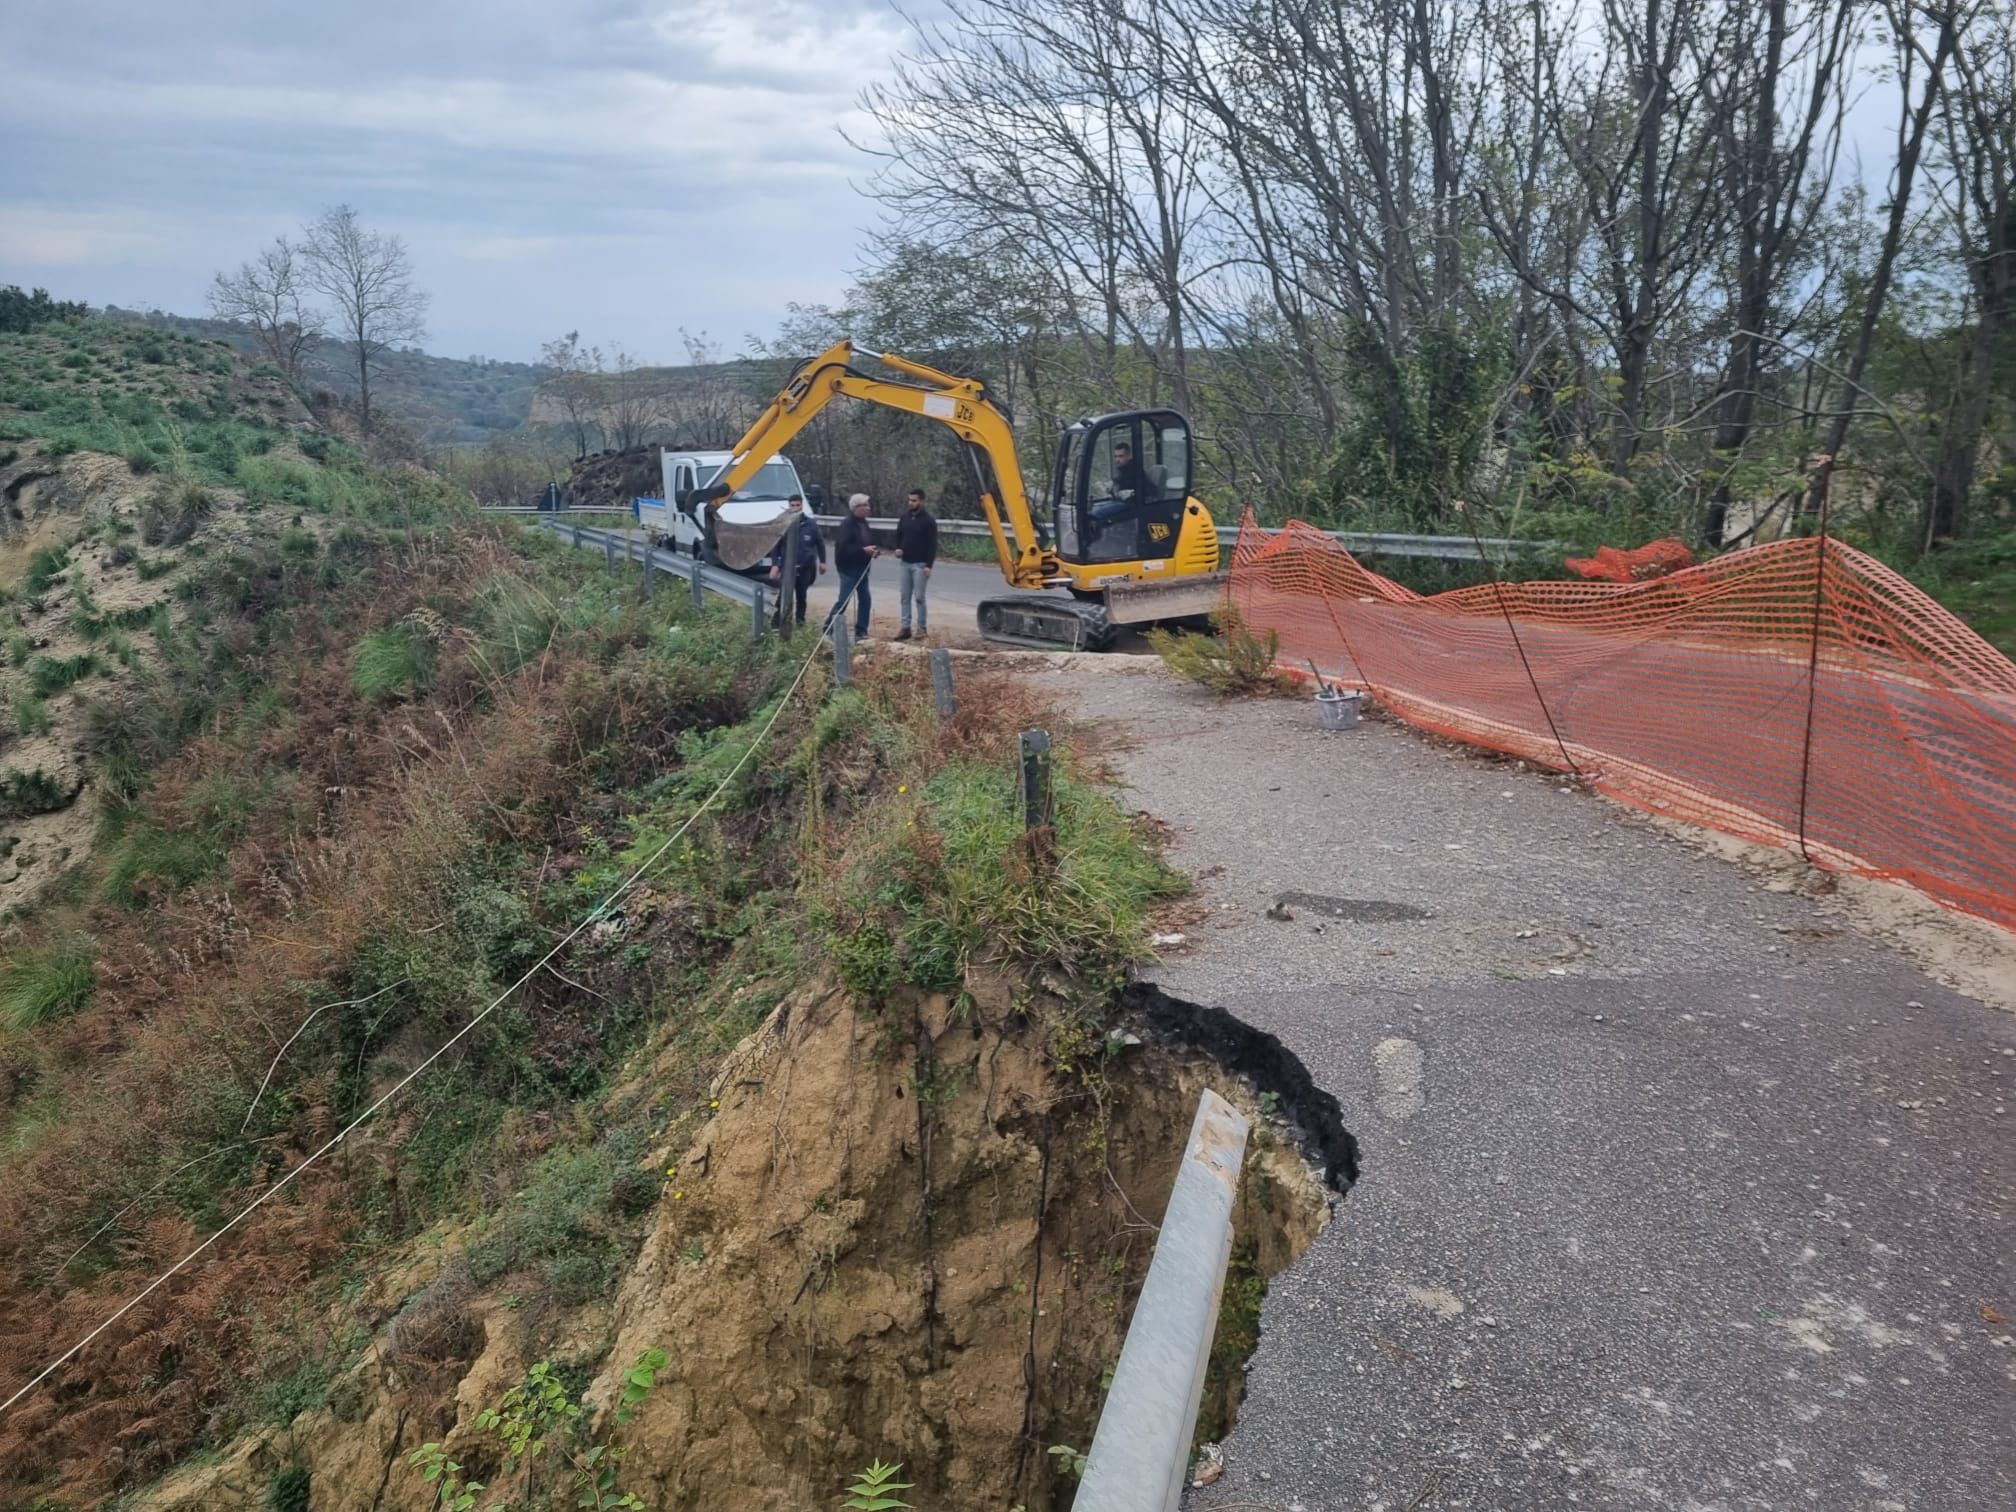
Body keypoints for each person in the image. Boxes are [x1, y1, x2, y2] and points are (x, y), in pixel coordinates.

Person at [767, 493, 827, 629]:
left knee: (801, 596)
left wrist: (823, 562)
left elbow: (820, 543)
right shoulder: (783, 523)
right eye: (792, 505)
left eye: (797, 505)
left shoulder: (810, 524)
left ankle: (800, 624)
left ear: (801, 506)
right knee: (783, 595)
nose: (795, 507)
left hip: (805, 566)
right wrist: (775, 565)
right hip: (787, 567)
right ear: (789, 506)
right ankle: (777, 623)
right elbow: (775, 546)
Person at [829, 492, 878, 638]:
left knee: (865, 600)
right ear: (856, 507)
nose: (869, 508)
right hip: (848, 569)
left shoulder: (864, 523)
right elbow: (843, 548)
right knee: (843, 601)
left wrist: (873, 551)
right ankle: (828, 627)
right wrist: (862, 550)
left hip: (862, 568)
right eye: (865, 505)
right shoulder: (847, 524)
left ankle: (861, 630)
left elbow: (867, 544)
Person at [892, 487, 938, 641]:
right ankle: (905, 627)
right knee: (904, 597)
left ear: (922, 501)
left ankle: (922, 628)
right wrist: (898, 548)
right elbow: (898, 535)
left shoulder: (928, 521)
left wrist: (928, 565)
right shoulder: (904, 518)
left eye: (914, 500)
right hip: (905, 563)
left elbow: (932, 545)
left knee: (919, 597)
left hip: (920, 564)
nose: (911, 503)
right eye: (909, 500)